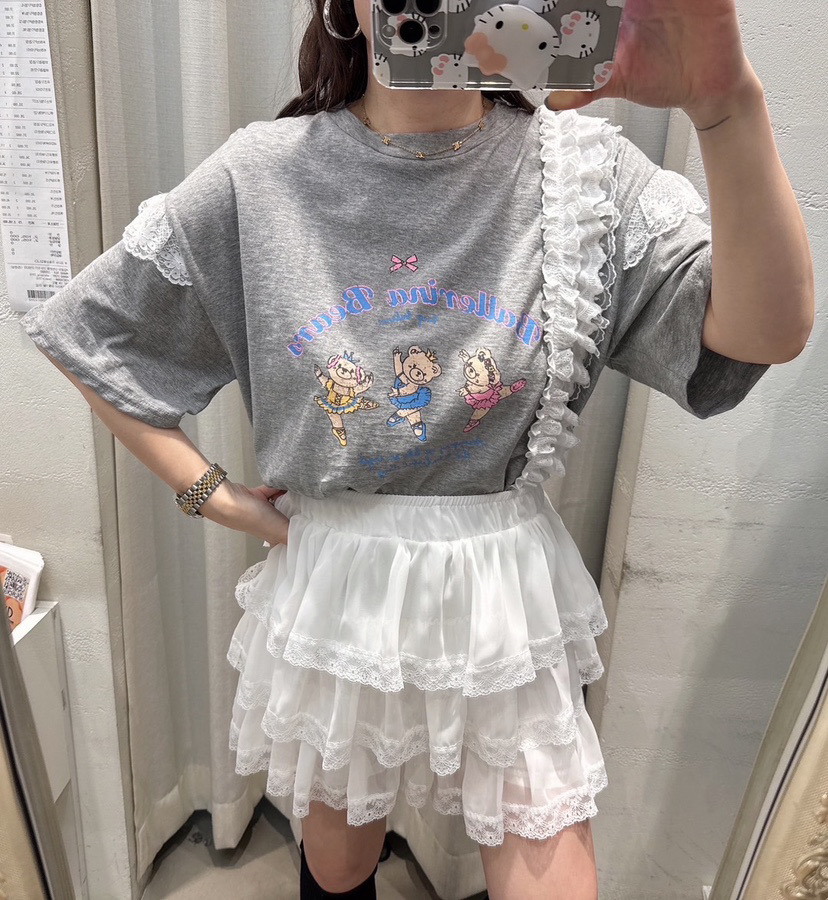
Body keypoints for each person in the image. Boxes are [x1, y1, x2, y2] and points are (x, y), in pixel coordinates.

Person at [18, 0, 814, 897]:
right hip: (340, 586)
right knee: (339, 865)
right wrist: (214, 496)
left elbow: (765, 333)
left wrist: (725, 108)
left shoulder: (583, 178)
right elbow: (91, 335)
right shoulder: (264, 177)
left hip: (506, 593)